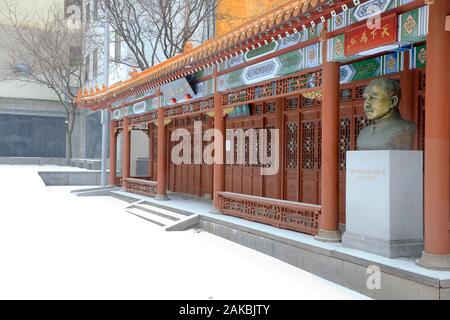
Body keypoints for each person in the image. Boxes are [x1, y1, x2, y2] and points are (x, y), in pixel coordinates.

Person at [357, 77, 416, 150]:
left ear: (392, 101)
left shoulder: (406, 129)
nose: (366, 104)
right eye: (365, 98)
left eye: (372, 98)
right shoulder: (364, 133)